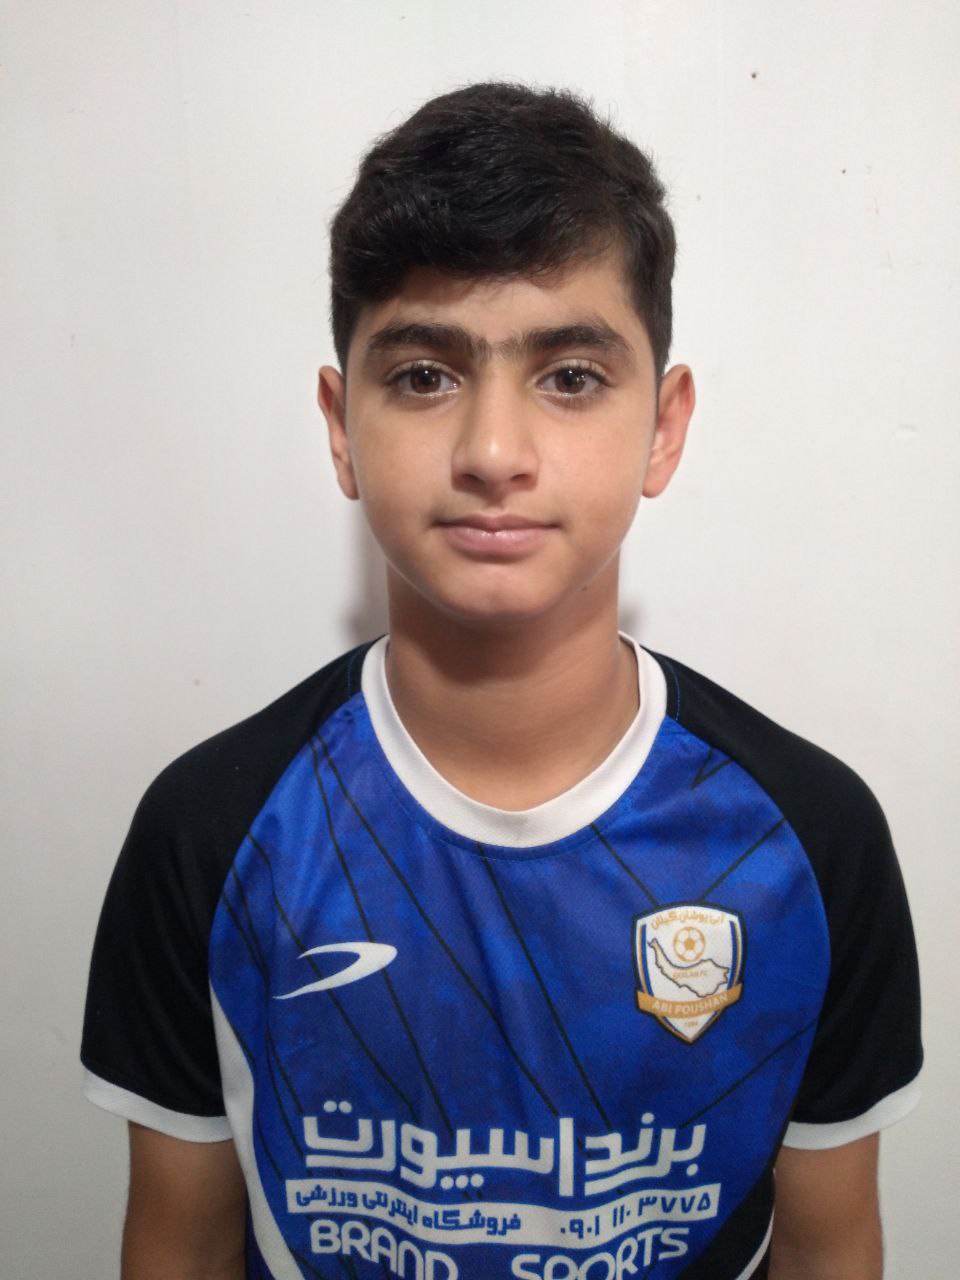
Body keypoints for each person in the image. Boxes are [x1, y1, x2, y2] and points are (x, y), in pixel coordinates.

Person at [81, 82, 922, 1280]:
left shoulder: (809, 842)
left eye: (569, 375)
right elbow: (179, 1240)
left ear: (664, 426)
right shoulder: (210, 833)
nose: (491, 452)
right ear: (341, 424)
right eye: (424, 375)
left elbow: (832, 1247)